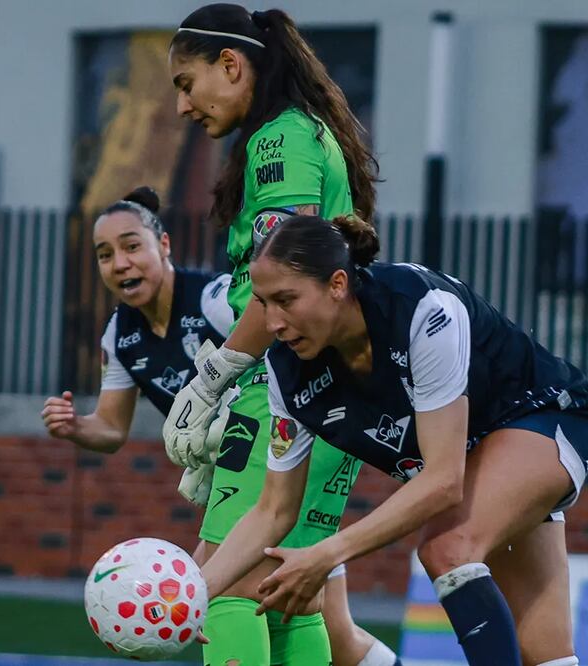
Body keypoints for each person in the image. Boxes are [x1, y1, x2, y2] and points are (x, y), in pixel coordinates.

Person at [195, 215, 588, 666]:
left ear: (336, 285)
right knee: (545, 655)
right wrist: (194, 596)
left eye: (285, 300)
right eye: (262, 303)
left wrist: (325, 554)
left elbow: (445, 481)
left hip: (543, 415)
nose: (272, 321)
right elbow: (273, 510)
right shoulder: (286, 372)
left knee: (447, 548)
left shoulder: (422, 309)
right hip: (478, 457)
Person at [164, 5, 397, 666]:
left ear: (232, 66)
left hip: (286, 383)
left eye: (186, 83)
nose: (183, 107)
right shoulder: (308, 133)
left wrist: (213, 379)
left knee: (227, 579)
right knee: (290, 587)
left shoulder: (278, 140)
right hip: (333, 389)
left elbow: (283, 273)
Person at [41, 186, 232, 456]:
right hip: (223, 471)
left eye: (132, 247)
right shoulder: (118, 335)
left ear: (163, 245)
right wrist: (75, 426)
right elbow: (112, 428)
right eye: (105, 254)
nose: (119, 264)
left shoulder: (215, 299)